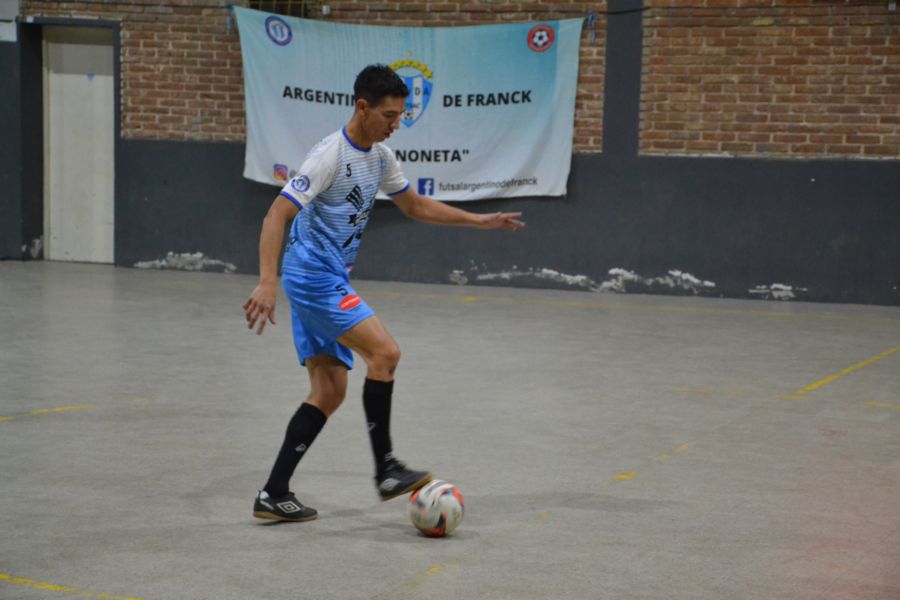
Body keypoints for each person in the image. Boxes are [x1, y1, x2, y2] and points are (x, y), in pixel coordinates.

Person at [243, 64, 525, 522]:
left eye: (400, 116)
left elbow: (414, 205)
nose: (397, 124)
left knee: (329, 390)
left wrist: (480, 220)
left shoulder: (379, 156)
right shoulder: (329, 155)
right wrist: (267, 281)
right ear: (362, 107)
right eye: (390, 115)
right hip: (313, 277)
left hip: (326, 277)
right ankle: (386, 468)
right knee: (386, 353)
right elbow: (276, 214)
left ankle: (273, 493)